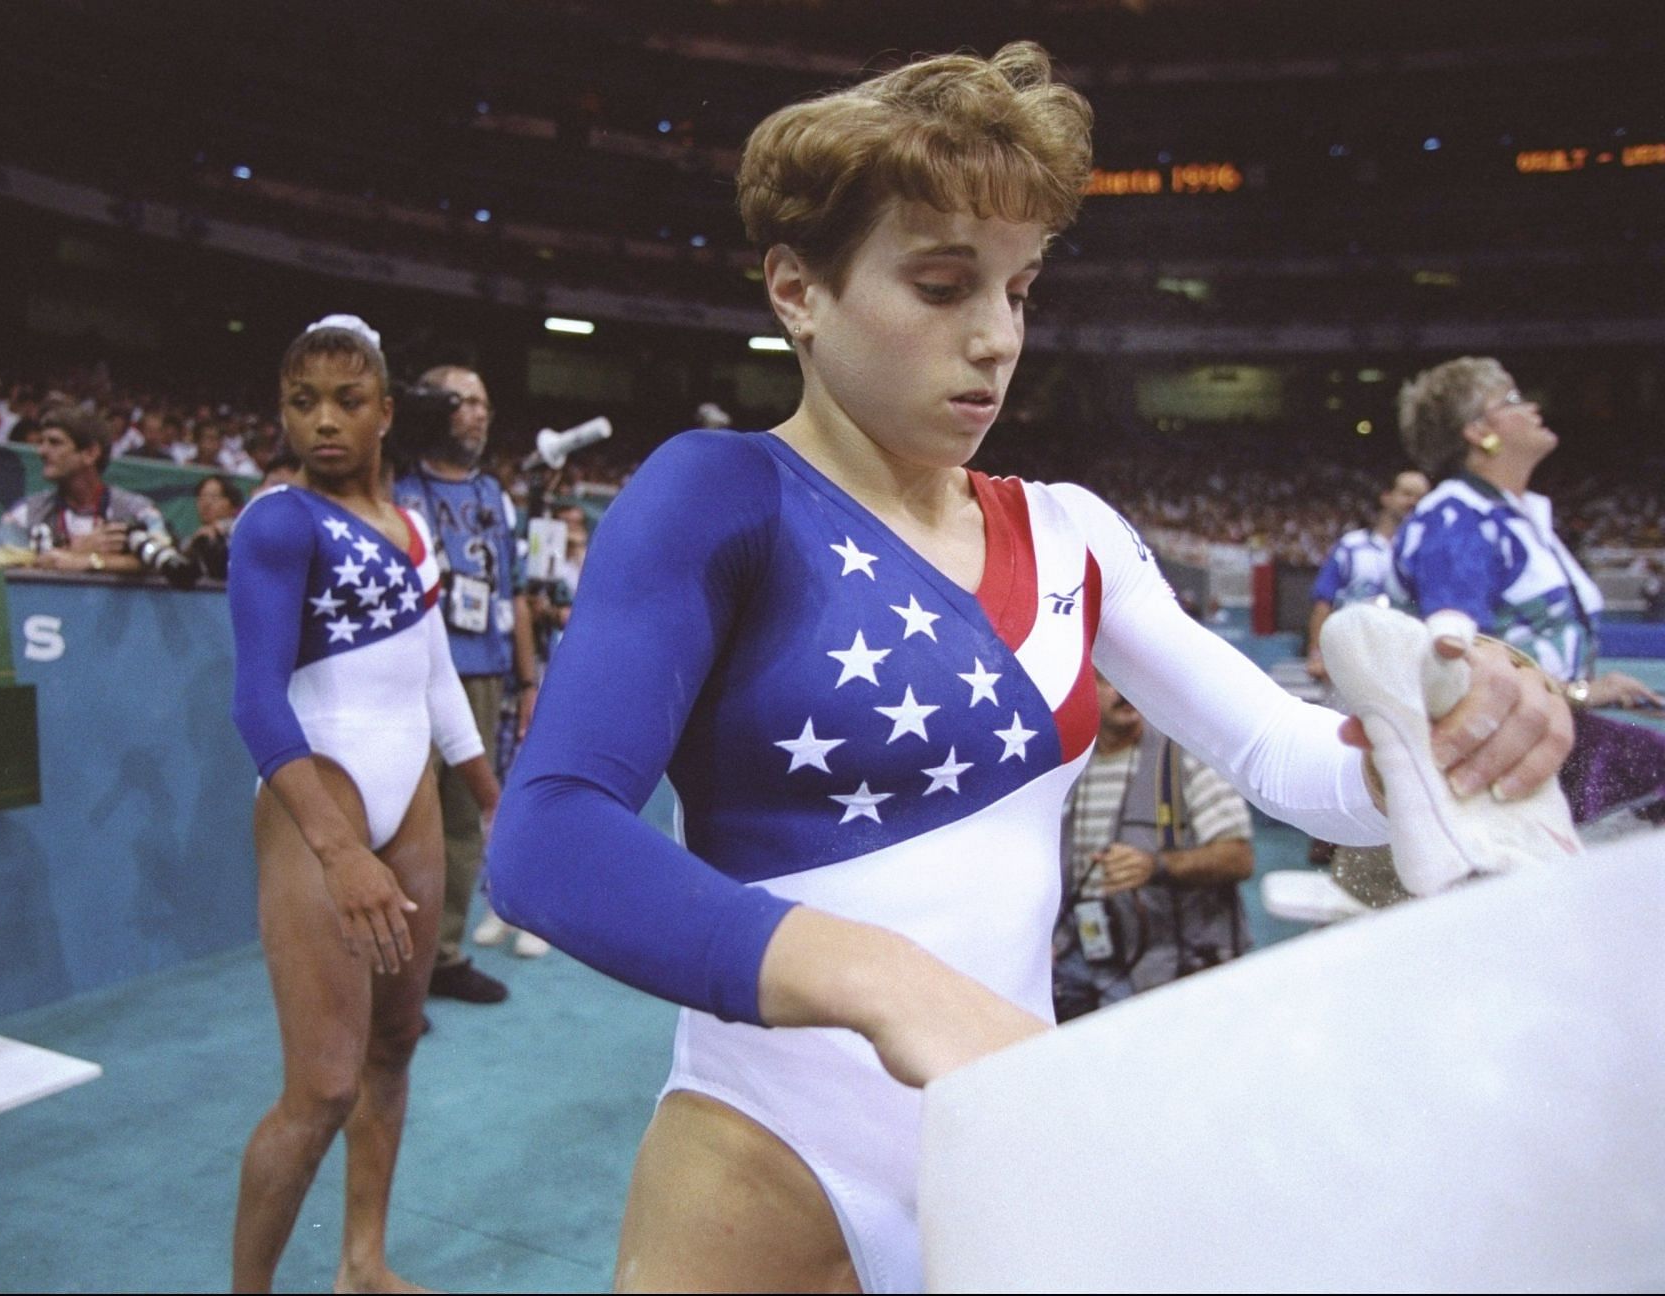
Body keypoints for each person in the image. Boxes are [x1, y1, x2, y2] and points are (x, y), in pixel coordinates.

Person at [485, 44, 1573, 1293]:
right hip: (773, 1152)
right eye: (944, 285)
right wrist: (888, 981)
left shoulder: (1074, 532)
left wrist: (1445, 736)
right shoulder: (719, 496)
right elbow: (547, 840)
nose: (997, 339)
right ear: (797, 289)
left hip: (1010, 1139)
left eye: (1020, 290)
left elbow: (1282, 758)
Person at [225, 316, 498, 1293]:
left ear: (386, 412)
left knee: (391, 1050)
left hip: (409, 794)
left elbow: (434, 683)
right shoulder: (277, 521)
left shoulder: (413, 526)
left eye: (347, 401)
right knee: (324, 1087)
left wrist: (489, 796)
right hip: (319, 796)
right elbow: (256, 700)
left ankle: (362, 1263)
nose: (324, 422)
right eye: (303, 403)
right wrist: (339, 850)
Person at [1393, 357, 1665, 826]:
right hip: (1511, 752)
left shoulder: (1512, 516)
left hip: (1544, 735)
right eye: (1513, 400)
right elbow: (1459, 666)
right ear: (1479, 432)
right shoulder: (1458, 519)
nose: (1533, 407)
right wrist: (1580, 692)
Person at [394, 364, 540, 1004]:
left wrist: (528, 679)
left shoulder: (493, 497)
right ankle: (392, 970)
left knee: (462, 819)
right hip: (410, 673)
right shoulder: (395, 485)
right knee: (401, 819)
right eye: (463, 402)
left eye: (485, 402)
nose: (480, 414)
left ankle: (443, 956)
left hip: (481, 672)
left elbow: (515, 595)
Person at [1051, 671, 1254, 1020]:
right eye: (1106, 679)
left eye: (1127, 678)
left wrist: (1157, 866)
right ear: (1084, 690)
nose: (1123, 690)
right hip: (1080, 955)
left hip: (1166, 968)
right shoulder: (1070, 768)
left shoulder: (1186, 758)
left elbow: (1239, 857)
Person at [0, 405, 173, 574]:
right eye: (42, 441)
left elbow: (167, 563)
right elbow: (5, 581)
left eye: (55, 442)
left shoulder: (138, 511)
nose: (41, 451)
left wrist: (91, 560)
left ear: (90, 453)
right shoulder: (23, 515)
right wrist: (77, 551)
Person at [1305, 468, 1431, 682]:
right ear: (1387, 497)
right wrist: (1317, 654)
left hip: (1408, 665)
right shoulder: (1352, 546)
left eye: (1421, 497)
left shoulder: (1429, 553)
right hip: (1352, 660)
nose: (1413, 502)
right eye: (1407, 494)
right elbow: (1323, 602)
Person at [183, 472, 243, 581]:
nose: (206, 503)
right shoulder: (195, 539)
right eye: (201, 497)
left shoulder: (243, 532)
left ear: (233, 505)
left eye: (214, 497)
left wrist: (221, 529)